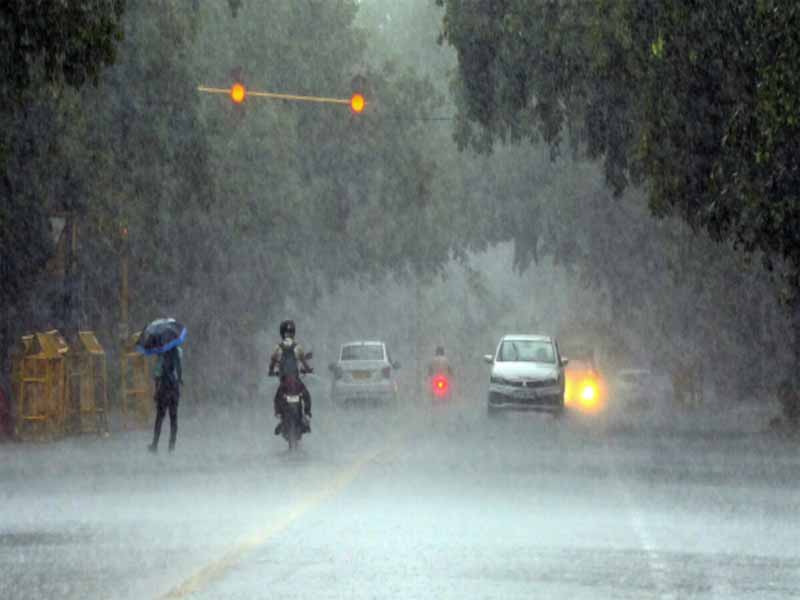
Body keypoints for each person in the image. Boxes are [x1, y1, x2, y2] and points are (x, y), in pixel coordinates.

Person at [269, 320, 312, 435]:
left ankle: (280, 417)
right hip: (296, 382)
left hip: (284, 383)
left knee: (277, 398)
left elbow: (273, 362)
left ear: (281, 333)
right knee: (306, 396)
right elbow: (304, 363)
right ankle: (307, 415)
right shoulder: (298, 347)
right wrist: (308, 369)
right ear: (294, 332)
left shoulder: (278, 348)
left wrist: (271, 371)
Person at [148, 346, 183, 453]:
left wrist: (156, 390)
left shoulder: (162, 353)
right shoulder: (178, 351)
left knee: (159, 418)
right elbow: (179, 372)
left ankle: (155, 444)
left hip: (164, 389)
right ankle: (171, 446)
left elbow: (157, 374)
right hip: (174, 390)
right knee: (174, 418)